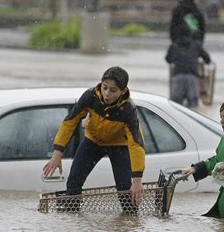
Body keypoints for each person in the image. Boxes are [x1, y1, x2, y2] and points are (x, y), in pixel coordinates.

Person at [43, 66, 145, 206]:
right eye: (104, 87)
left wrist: (137, 180)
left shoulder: (128, 109)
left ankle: (129, 224)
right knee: (73, 183)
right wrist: (57, 153)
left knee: (125, 192)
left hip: (119, 145)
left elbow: (136, 144)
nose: (107, 94)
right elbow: (70, 122)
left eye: (113, 90)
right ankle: (72, 222)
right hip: (92, 142)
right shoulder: (90, 96)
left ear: (123, 91)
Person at [166, 25, 211, 108]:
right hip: (192, 78)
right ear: (190, 34)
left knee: (175, 106)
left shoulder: (174, 46)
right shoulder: (196, 45)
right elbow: (207, 59)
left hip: (178, 77)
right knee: (193, 107)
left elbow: (168, 59)